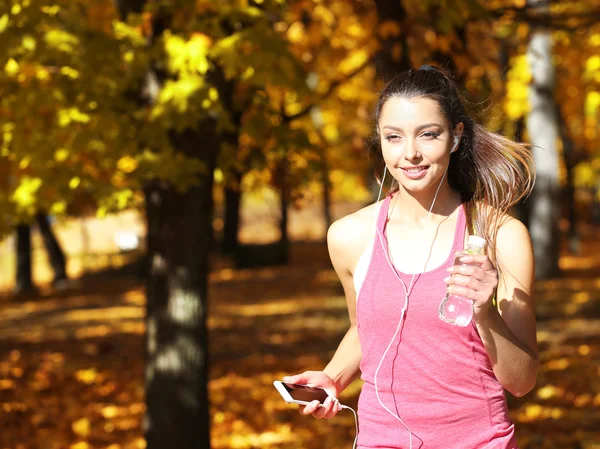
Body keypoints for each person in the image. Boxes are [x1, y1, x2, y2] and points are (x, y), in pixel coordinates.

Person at [282, 65, 538, 449]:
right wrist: (333, 378)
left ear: (455, 136)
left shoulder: (499, 236)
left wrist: (486, 311)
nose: (411, 154)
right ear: (381, 142)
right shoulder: (350, 236)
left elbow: (522, 381)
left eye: (428, 134)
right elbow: (366, 330)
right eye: (394, 137)